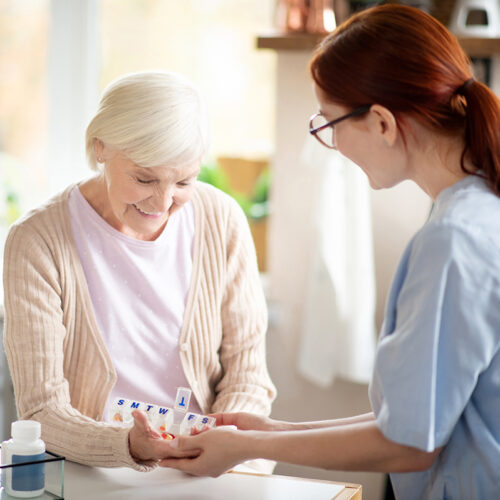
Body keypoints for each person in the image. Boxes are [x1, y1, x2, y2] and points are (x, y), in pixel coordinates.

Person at [159, 5, 500, 498]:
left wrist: (247, 450)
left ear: (382, 122)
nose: (334, 143)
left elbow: (408, 443)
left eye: (332, 124)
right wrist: (269, 432)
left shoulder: (452, 243)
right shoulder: (478, 210)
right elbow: (419, 414)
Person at [3, 71, 276, 471]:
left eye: (184, 181)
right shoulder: (36, 241)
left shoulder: (222, 220)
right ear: (100, 148)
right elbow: (42, 410)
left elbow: (248, 374)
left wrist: (223, 446)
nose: (163, 201)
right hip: (92, 473)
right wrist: (127, 446)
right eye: (144, 178)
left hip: (210, 473)